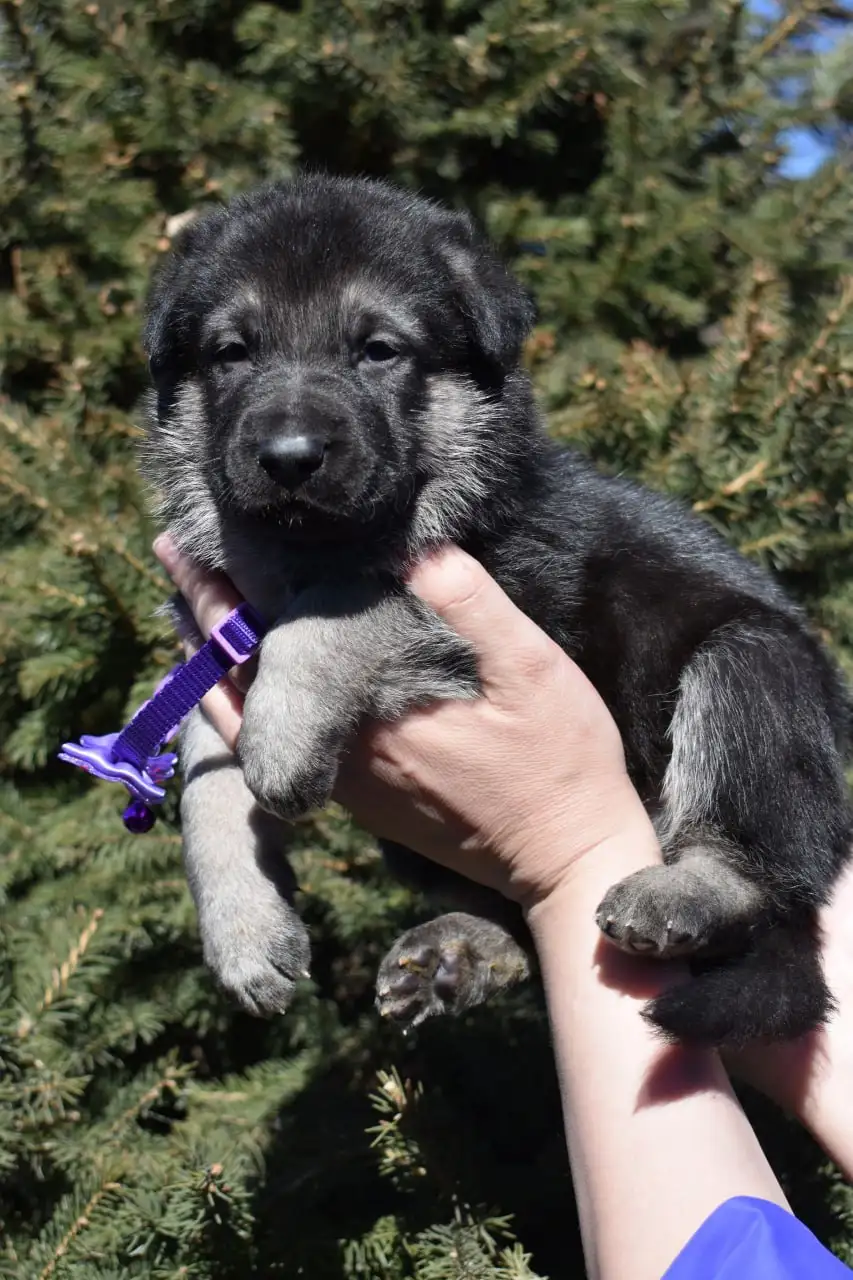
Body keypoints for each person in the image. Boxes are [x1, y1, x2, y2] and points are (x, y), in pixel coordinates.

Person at [154, 533, 853, 1279]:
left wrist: (568, 860)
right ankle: (506, 915)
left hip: (680, 808)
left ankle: (711, 878)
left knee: (748, 662)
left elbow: (725, 1257)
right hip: (722, 865)